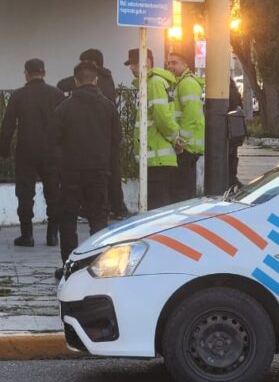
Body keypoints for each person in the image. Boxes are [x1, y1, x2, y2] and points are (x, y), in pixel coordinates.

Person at [50, 61, 122, 262]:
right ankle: (97, 262)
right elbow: (117, 140)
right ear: (96, 80)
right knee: (98, 219)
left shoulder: (64, 108)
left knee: (68, 219)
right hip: (99, 170)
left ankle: (69, 265)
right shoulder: (108, 107)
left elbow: (53, 141)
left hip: (71, 171)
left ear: (75, 81)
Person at [0, 58, 64, 247]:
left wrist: (3, 150)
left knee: (25, 194)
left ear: (26, 73)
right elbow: (66, 124)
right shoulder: (57, 94)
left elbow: (8, 125)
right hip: (52, 151)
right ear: (44, 72)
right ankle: (53, 235)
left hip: (26, 151)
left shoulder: (18, 96)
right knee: (53, 193)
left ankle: (27, 235)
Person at [76, 49, 130, 219]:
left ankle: (111, 208)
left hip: (101, 135)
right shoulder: (107, 78)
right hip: (107, 134)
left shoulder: (100, 81)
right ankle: (114, 208)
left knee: (106, 174)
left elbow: (63, 84)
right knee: (110, 172)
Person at [125, 48, 182, 210]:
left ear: (147, 62)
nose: (131, 68)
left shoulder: (155, 83)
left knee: (157, 208)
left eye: (135, 64)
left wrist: (174, 138)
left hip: (157, 157)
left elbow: (162, 116)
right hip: (154, 156)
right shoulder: (150, 83)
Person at [167, 51, 205, 202]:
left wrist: (181, 140)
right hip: (188, 145)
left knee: (182, 192)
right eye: (168, 63)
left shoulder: (187, 83)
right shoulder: (181, 83)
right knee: (184, 190)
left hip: (186, 146)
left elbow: (191, 114)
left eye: (174, 63)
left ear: (185, 65)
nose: (170, 66)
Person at [229, 77, 245, 188]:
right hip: (235, 131)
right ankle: (233, 180)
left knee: (228, 157)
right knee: (232, 157)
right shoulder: (235, 92)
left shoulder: (226, 93)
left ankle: (231, 181)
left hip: (227, 130)